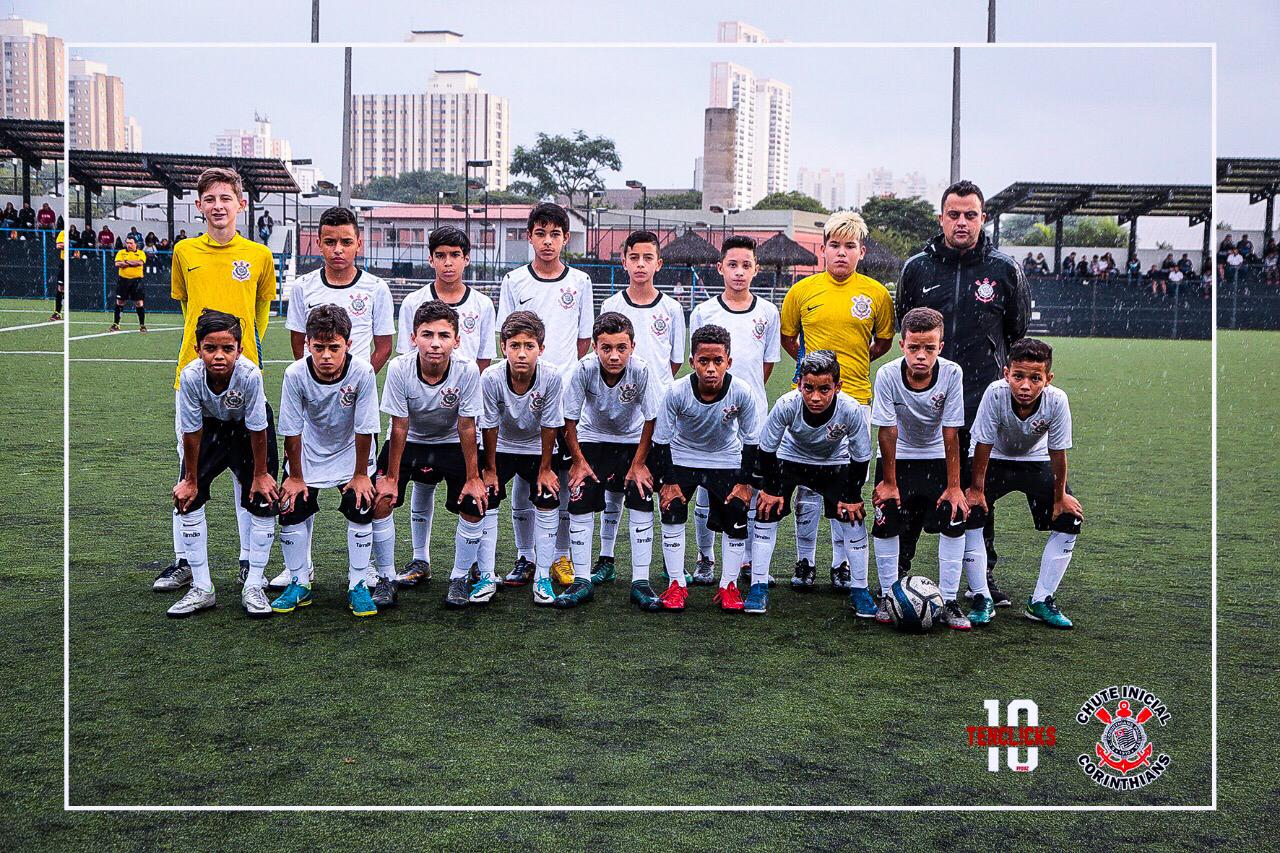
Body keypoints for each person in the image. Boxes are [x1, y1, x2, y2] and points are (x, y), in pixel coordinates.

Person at [894, 179, 1030, 607]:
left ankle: (980, 580)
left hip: (977, 399)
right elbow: (906, 324)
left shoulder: (1005, 270)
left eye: (971, 215)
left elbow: (1016, 332)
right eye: (954, 214)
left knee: (976, 487)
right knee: (914, 481)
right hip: (921, 397)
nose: (962, 222)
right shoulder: (917, 268)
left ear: (983, 219)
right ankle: (898, 571)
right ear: (941, 218)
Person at [153, 167, 277, 595]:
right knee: (189, 469)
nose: (219, 206)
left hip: (244, 375)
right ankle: (185, 563)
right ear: (199, 205)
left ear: (240, 204)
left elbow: (260, 312)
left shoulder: (259, 256)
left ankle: (248, 562)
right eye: (210, 199)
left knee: (249, 474)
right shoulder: (185, 251)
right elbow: (186, 305)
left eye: (226, 198)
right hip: (193, 372)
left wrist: (248, 353)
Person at [779, 210, 893, 593]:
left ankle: (842, 565)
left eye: (850, 246)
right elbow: (790, 339)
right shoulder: (801, 291)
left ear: (861, 251)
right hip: (807, 400)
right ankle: (805, 561)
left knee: (846, 485)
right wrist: (814, 376)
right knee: (809, 487)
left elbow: (882, 342)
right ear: (823, 250)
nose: (841, 253)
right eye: (834, 246)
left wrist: (848, 374)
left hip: (855, 399)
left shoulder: (877, 294)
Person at [496, 202, 594, 587]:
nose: (548, 241)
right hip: (522, 392)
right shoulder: (514, 281)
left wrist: (559, 378)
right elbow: (506, 334)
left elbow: (584, 340)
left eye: (556, 234)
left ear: (566, 238)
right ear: (529, 236)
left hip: (565, 395)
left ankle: (560, 556)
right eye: (541, 233)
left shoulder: (580, 282)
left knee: (564, 477)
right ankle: (525, 557)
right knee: (524, 477)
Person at [394, 225, 495, 588]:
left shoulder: (482, 304)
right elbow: (409, 362)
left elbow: (483, 364)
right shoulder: (412, 303)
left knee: (474, 489)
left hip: (462, 417)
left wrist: (463, 403)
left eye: (455, 255)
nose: (448, 263)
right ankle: (420, 559)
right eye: (440, 255)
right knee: (421, 485)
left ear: (466, 259)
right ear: (431, 258)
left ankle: (474, 567)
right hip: (421, 418)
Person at [369, 300, 488, 610]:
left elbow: (466, 426)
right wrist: (392, 478)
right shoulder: (399, 368)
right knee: (380, 498)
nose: (435, 343)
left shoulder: (467, 370)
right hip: (410, 441)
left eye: (444, 336)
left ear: (457, 340)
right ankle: (384, 578)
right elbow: (399, 426)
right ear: (413, 337)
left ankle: (460, 577)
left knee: (475, 502)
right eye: (427, 334)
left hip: (451, 442)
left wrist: (474, 478)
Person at [269, 304, 382, 618]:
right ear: (307, 345)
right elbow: (291, 429)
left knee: (361, 506)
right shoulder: (295, 374)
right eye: (319, 348)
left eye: (335, 347)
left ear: (348, 343)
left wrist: (361, 474)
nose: (327, 356)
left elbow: (366, 427)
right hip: (309, 451)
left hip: (352, 452)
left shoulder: (362, 372)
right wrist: (294, 475)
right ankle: (299, 581)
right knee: (290, 507)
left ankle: (358, 583)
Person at [166, 310, 280, 618]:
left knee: (263, 499)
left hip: (248, 432)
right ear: (197, 349)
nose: (219, 356)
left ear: (240, 350)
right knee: (187, 500)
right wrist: (191, 479)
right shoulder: (190, 376)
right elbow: (191, 431)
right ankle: (202, 587)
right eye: (210, 348)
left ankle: (254, 584)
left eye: (227, 349)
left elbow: (258, 427)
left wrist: (260, 474)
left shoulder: (250, 375)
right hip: (210, 429)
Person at [964, 338, 1083, 629]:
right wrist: (976, 491)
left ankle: (1042, 600)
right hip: (993, 458)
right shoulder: (995, 393)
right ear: (1007, 374)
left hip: (1035, 459)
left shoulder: (1057, 400)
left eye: (1035, 378)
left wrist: (1059, 498)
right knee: (969, 513)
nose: (1025, 386)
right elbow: (982, 443)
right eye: (1018, 376)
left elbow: (1058, 453)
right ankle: (981, 597)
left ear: (1048, 379)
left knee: (1070, 518)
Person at [868, 308, 970, 629]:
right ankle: (887, 595)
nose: (921, 356)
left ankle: (951, 600)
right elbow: (887, 430)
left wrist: (954, 486)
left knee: (955, 517)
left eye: (929, 348)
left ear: (941, 346)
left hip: (940, 457)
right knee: (887, 516)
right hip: (899, 457)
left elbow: (951, 431)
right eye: (914, 348)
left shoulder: (953, 373)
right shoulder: (886, 374)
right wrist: (889, 481)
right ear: (902, 345)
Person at [689, 235, 781, 587]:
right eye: (732, 265)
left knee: (751, 487)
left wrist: (746, 395)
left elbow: (767, 364)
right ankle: (705, 558)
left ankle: (749, 560)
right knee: (705, 485)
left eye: (746, 265)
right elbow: (700, 362)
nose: (739, 272)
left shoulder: (767, 312)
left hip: (752, 413)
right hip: (710, 413)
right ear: (720, 268)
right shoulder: (704, 312)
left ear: (756, 269)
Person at [750, 351, 870, 616]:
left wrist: (852, 495)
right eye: (809, 388)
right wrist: (771, 489)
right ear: (799, 384)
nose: (815, 397)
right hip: (790, 458)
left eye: (824, 389)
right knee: (765, 509)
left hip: (834, 462)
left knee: (854, 516)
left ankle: (860, 589)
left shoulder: (850, 409)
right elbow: (766, 449)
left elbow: (861, 457)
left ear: (838, 387)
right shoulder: (786, 404)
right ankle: (758, 586)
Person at [649, 324, 760, 612]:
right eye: (704, 361)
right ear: (692, 363)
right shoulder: (676, 392)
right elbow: (660, 441)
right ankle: (676, 585)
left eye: (718, 361)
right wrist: (668, 482)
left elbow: (751, 442)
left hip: (725, 458)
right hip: (683, 456)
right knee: (671, 511)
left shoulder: (742, 392)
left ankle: (729, 586)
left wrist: (744, 483)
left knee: (737, 513)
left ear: (729, 362)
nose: (711, 369)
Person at [597, 230, 685, 582]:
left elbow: (674, 363)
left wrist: (654, 393)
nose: (640, 264)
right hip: (618, 413)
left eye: (648, 258)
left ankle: (667, 559)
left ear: (658, 264)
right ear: (624, 262)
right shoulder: (611, 306)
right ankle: (606, 556)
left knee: (661, 485)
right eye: (634, 258)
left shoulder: (672, 308)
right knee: (614, 487)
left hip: (659, 415)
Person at [559, 311, 662, 608]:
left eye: (621, 348)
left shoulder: (641, 371)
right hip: (592, 439)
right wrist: (577, 461)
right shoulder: (584, 369)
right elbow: (569, 419)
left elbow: (651, 419)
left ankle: (640, 581)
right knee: (579, 497)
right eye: (606, 348)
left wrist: (639, 464)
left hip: (632, 442)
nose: (614, 356)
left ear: (632, 346)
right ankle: (581, 580)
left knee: (641, 497)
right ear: (594, 346)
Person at [477, 311, 566, 605]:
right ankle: (487, 575)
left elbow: (551, 423)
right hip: (500, 446)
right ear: (503, 347)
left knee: (548, 494)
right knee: (483, 497)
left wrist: (544, 469)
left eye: (529, 346)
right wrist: (489, 470)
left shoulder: (551, 377)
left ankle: (542, 575)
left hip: (538, 448)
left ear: (541, 347)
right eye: (515, 345)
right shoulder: (490, 376)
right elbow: (488, 424)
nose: (522, 353)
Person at [285, 207, 394, 372]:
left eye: (346, 242)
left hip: (355, 388)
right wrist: (313, 376)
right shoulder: (302, 286)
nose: (338, 249)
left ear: (358, 244)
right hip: (314, 386)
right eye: (330, 242)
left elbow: (384, 348)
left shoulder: (377, 288)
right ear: (319, 244)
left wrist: (360, 378)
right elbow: (298, 341)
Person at [110, 236, 148, 332]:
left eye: (131, 243)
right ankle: (116, 324)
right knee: (120, 302)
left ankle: (142, 325)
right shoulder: (121, 252)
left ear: (136, 244)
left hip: (137, 281)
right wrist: (131, 263)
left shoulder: (141, 253)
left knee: (139, 303)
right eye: (127, 243)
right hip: (123, 280)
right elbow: (117, 264)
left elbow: (139, 262)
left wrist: (126, 262)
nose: (129, 245)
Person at [50, 227, 65, 321]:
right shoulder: (63, 233)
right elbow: (58, 245)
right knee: (61, 288)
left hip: (74, 263)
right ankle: (57, 312)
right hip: (64, 263)